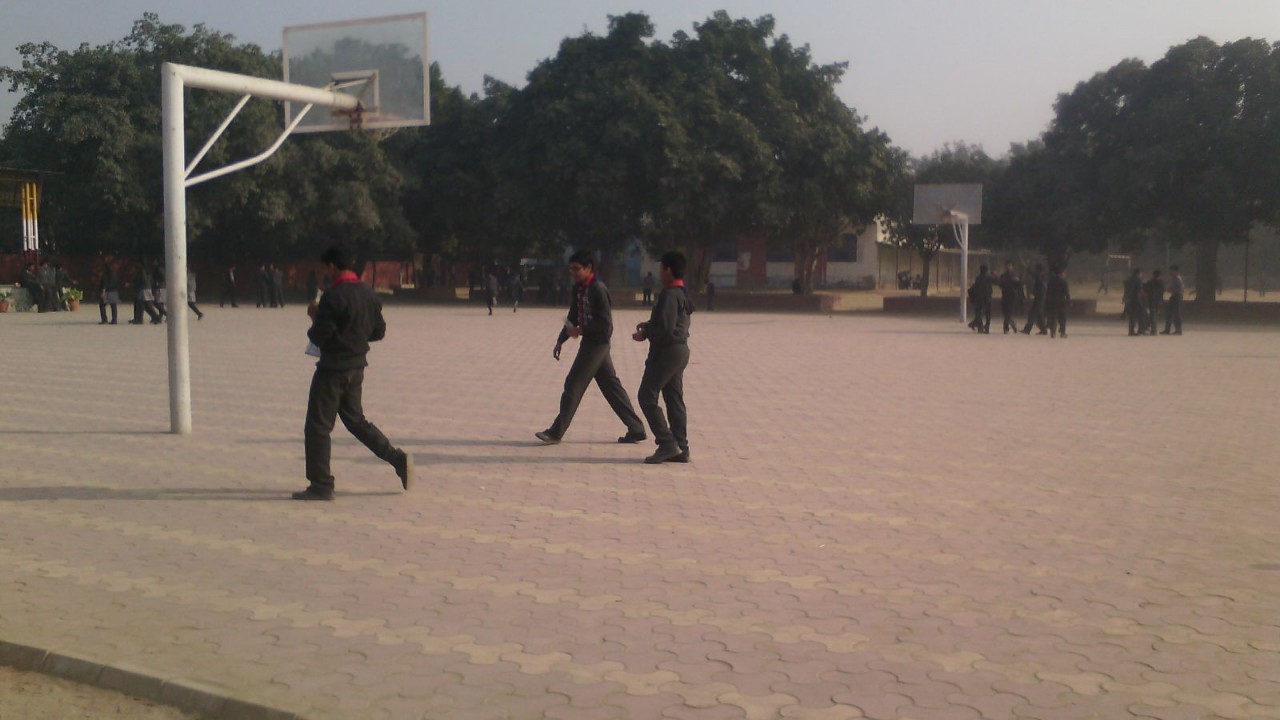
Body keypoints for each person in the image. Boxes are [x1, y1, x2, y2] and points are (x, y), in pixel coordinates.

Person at [295, 244, 413, 501]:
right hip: (356, 367)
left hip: (332, 369)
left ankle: (321, 484)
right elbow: (378, 331)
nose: (325, 273)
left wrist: (314, 316)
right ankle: (398, 459)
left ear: (332, 266)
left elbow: (319, 336)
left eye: (326, 268)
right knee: (356, 422)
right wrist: (356, 336)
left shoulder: (333, 296)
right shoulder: (368, 293)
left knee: (318, 426)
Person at [535, 250, 647, 445]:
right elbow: (573, 314)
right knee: (611, 388)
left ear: (589, 268)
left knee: (573, 384)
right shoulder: (579, 288)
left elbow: (606, 326)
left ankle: (555, 432)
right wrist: (561, 339)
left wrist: (581, 331)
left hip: (597, 345)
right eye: (571, 269)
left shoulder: (598, 289)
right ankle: (636, 429)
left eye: (577, 269)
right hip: (590, 342)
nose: (573, 273)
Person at [633, 251, 694, 464]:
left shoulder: (669, 295)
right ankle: (681, 447)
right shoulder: (682, 292)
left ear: (668, 269)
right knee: (673, 399)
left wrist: (646, 333)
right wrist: (649, 325)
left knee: (646, 396)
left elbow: (666, 329)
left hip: (667, 351)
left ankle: (667, 443)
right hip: (680, 350)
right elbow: (672, 322)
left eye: (661, 268)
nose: (660, 272)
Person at [1021, 264, 1048, 335]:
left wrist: (1027, 268)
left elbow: (1034, 274)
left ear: (1038, 269)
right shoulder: (1043, 276)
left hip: (1040, 297)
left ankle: (1027, 329)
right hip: (1040, 297)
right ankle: (1043, 330)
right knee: (1039, 315)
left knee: (1032, 313)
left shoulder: (1040, 276)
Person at [1045, 266, 1070, 338]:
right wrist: (1069, 301)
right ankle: (1062, 332)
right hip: (1061, 302)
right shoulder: (1063, 281)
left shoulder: (1051, 281)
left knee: (1053, 317)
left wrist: (1047, 301)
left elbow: (1048, 292)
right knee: (1063, 318)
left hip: (1052, 301)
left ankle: (1053, 332)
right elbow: (1066, 292)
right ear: (1061, 273)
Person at [967, 264, 994, 333]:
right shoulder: (989, 278)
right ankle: (986, 327)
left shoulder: (978, 278)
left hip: (979, 298)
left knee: (979, 313)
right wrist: (994, 275)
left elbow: (975, 288)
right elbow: (997, 282)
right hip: (987, 297)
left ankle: (978, 325)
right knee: (987, 313)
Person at [997, 262, 1021, 334]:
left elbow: (1019, 285)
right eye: (1007, 265)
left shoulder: (1015, 275)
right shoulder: (1003, 276)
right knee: (1005, 312)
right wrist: (1002, 282)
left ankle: (1006, 328)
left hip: (1012, 295)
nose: (1008, 267)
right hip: (1005, 295)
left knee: (1009, 312)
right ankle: (1012, 323)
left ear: (1012, 267)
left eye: (1009, 265)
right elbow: (1000, 285)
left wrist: (1017, 281)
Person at [1123, 268, 1146, 336]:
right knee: (1141, 314)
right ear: (1138, 273)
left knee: (1132, 315)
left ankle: (1131, 330)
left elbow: (1126, 289)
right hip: (1137, 299)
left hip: (1130, 299)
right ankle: (1141, 330)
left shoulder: (1129, 279)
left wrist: (1125, 298)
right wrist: (1144, 295)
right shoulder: (1138, 280)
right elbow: (1140, 290)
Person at [1162, 265, 1184, 335]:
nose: (1170, 272)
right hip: (1173, 296)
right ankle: (1167, 329)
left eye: (1172, 271)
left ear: (1176, 271)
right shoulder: (1173, 278)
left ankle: (1178, 329)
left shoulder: (1178, 279)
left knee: (1177, 313)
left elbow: (1180, 289)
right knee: (1169, 313)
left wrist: (1171, 289)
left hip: (1177, 296)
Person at [98, 258, 120, 325]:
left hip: (107, 291)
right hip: (114, 291)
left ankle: (104, 319)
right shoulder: (114, 273)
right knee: (113, 306)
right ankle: (114, 320)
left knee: (102, 305)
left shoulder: (105, 274)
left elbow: (105, 283)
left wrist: (103, 291)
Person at [1143, 270, 1164, 336]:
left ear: (1153, 275)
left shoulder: (1150, 282)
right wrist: (1161, 300)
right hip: (1158, 300)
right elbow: (1162, 291)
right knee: (1155, 314)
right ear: (1159, 275)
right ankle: (1153, 328)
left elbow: (1145, 289)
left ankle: (1153, 329)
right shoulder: (1161, 282)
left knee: (1152, 314)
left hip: (1151, 299)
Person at [151, 259, 168, 323]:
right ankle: (160, 318)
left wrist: (157, 282)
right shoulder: (162, 268)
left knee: (156, 303)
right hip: (162, 287)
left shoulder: (158, 269)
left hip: (159, 287)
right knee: (160, 303)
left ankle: (167, 314)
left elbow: (163, 277)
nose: (153, 262)